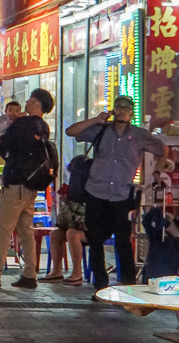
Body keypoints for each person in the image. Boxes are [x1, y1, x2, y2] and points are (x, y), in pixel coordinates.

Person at [64, 95, 167, 292]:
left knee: (123, 241)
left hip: (121, 194)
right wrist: (96, 119)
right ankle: (100, 286)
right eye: (118, 107)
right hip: (95, 192)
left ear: (132, 112)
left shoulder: (139, 135)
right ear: (113, 109)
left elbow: (163, 150)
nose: (122, 111)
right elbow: (71, 131)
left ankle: (128, 285)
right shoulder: (102, 129)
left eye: (126, 108)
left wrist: (157, 172)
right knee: (95, 240)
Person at [0, 89, 55, 290]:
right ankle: (29, 273)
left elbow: (4, 145)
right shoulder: (43, 126)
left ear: (36, 103)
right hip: (31, 185)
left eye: (29, 99)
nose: (26, 101)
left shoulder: (22, 124)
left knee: (3, 229)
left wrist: (3, 138)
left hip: (16, 181)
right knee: (26, 229)